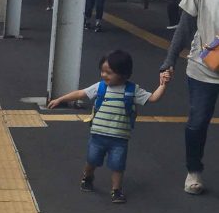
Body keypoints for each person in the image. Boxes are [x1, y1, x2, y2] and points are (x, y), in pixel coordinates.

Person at [47, 50, 168, 204]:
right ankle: (87, 176)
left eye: (109, 73)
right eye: (102, 71)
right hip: (98, 135)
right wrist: (61, 99)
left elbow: (153, 98)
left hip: (120, 138)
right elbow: (81, 93)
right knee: (92, 160)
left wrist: (163, 85)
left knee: (118, 165)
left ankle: (116, 190)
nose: (104, 75)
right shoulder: (100, 87)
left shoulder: (132, 90)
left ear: (124, 74)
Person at [160, 0, 219, 194]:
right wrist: (169, 60)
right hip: (202, 67)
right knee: (197, 122)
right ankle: (193, 171)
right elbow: (184, 28)